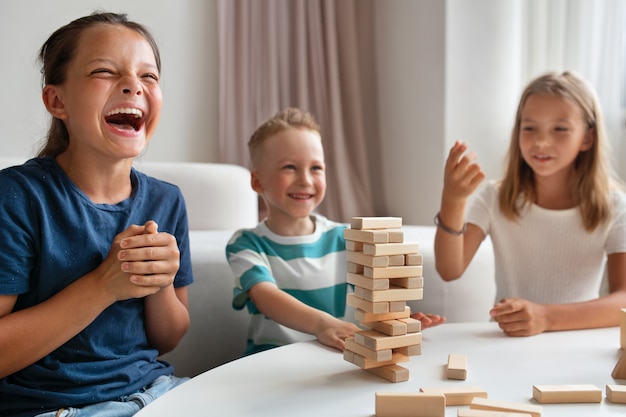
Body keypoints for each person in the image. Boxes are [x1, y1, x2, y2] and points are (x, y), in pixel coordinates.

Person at [0, 12, 193, 417]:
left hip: (159, 392)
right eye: (105, 71)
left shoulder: (167, 201)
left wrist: (156, 281)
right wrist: (105, 285)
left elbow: (168, 338)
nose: (133, 85)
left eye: (149, 76)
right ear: (58, 101)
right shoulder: (17, 195)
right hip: (57, 407)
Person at [226, 107, 444, 356]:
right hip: (271, 362)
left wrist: (393, 323)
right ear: (257, 182)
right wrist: (323, 325)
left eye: (316, 168)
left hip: (335, 359)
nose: (305, 180)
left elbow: (371, 304)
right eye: (289, 167)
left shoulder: (345, 237)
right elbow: (266, 296)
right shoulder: (246, 244)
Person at [434, 71, 626, 337]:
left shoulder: (615, 207)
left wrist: (546, 317)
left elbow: (623, 299)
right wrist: (452, 200)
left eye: (560, 129)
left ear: (587, 138)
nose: (541, 141)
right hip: (506, 344)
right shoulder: (494, 197)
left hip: (578, 346)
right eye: (529, 127)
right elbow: (449, 269)